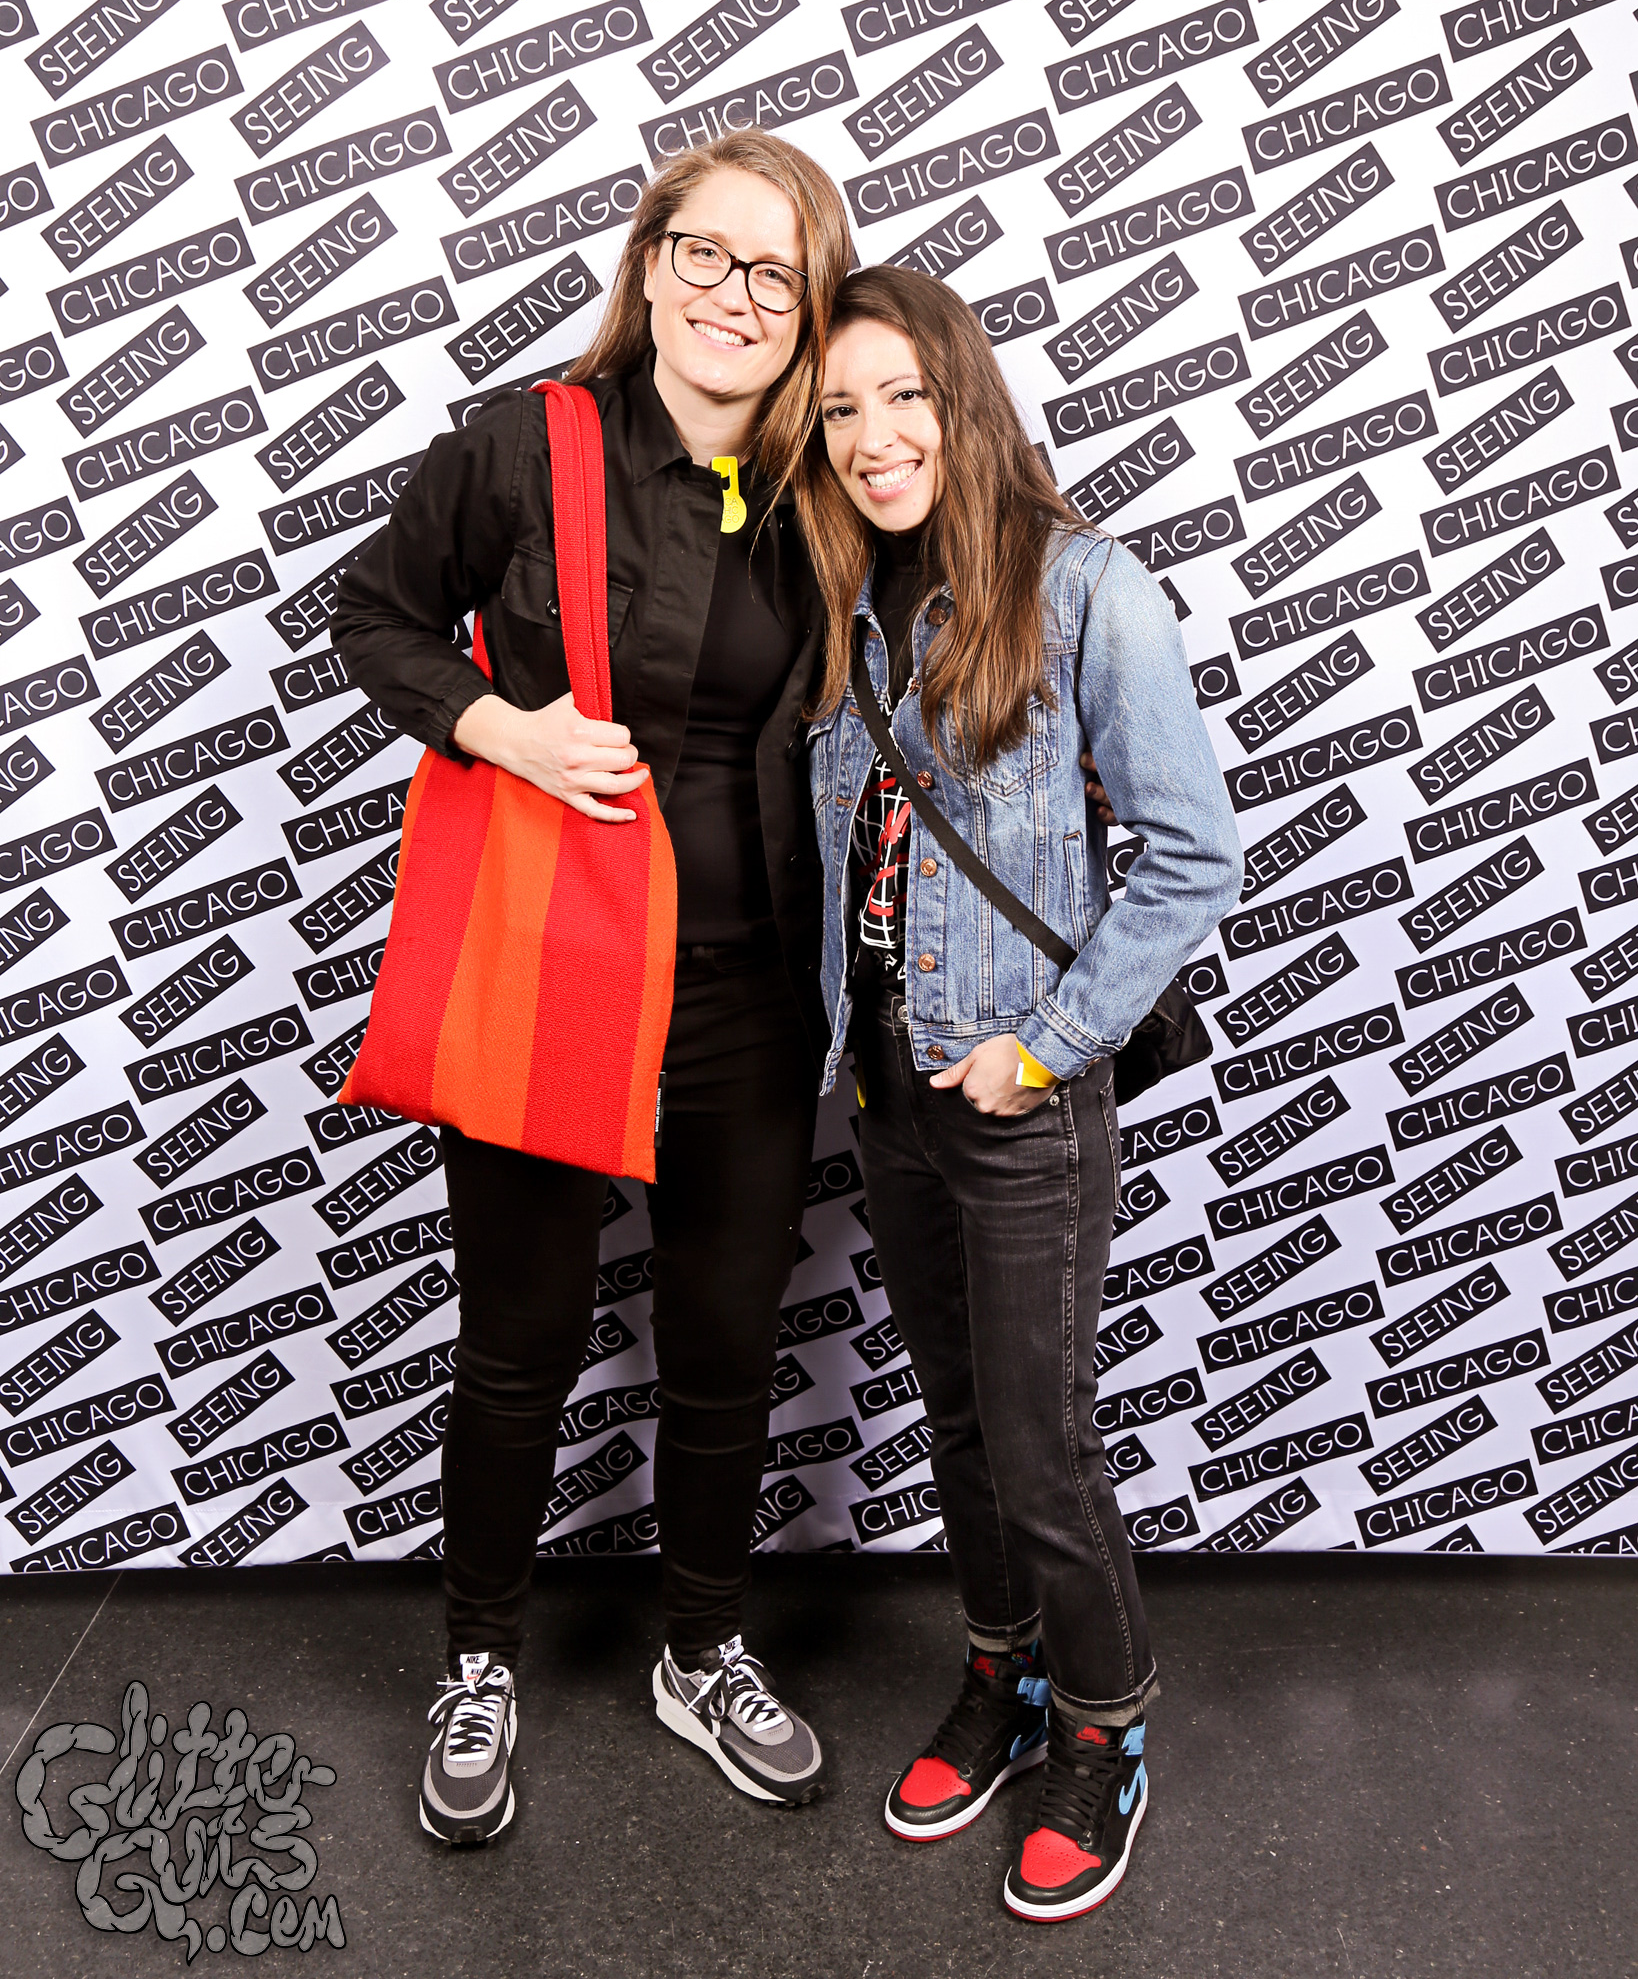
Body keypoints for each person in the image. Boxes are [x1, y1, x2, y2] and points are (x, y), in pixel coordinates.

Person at [332, 131, 853, 1842]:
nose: (732, 295)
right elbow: (375, 616)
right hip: (554, 968)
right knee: (522, 1343)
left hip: (751, 996)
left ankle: (701, 1649)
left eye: (774, 273)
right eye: (704, 254)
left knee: (724, 1344)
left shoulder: (831, 484)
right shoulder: (522, 446)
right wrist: (498, 726)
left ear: (809, 312)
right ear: (648, 264)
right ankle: (478, 1660)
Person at [799, 267, 1241, 1921]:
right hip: (886, 1093)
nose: (871, 437)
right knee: (962, 1423)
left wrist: (1044, 1045)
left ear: (963, 399)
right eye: (838, 411)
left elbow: (1191, 856)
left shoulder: (1086, 589)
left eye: (902, 396)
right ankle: (1005, 1672)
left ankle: (1104, 1731)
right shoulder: (844, 603)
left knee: (1043, 1446)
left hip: (1017, 1097)